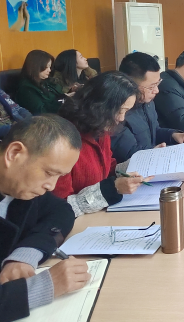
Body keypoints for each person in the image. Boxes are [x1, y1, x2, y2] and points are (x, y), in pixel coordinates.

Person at [0, 115, 91, 322]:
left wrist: (26, 253)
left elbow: (62, 211)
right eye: (48, 172)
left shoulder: (19, 184)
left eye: (59, 176)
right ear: (14, 153)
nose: (52, 186)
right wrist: (43, 287)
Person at [55, 72, 152, 217]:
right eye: (119, 111)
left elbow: (108, 167)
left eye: (126, 111)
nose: (121, 118)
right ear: (99, 106)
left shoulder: (100, 129)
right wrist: (111, 189)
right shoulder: (62, 140)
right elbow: (59, 208)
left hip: (99, 216)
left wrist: (142, 162)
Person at [112, 52, 184, 163]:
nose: (156, 90)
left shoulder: (147, 102)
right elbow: (131, 155)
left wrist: (173, 135)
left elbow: (155, 131)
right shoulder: (118, 112)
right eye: (151, 86)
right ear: (130, 85)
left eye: (157, 84)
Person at [15, 50, 66, 115]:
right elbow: (41, 111)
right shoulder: (26, 89)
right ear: (36, 67)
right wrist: (63, 103)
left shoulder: (46, 81)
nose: (49, 70)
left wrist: (67, 96)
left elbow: (58, 95)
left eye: (50, 67)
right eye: (46, 67)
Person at [0, 71, 32, 139]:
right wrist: (16, 129)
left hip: (18, 126)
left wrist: (29, 120)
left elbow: (18, 108)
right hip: (4, 135)